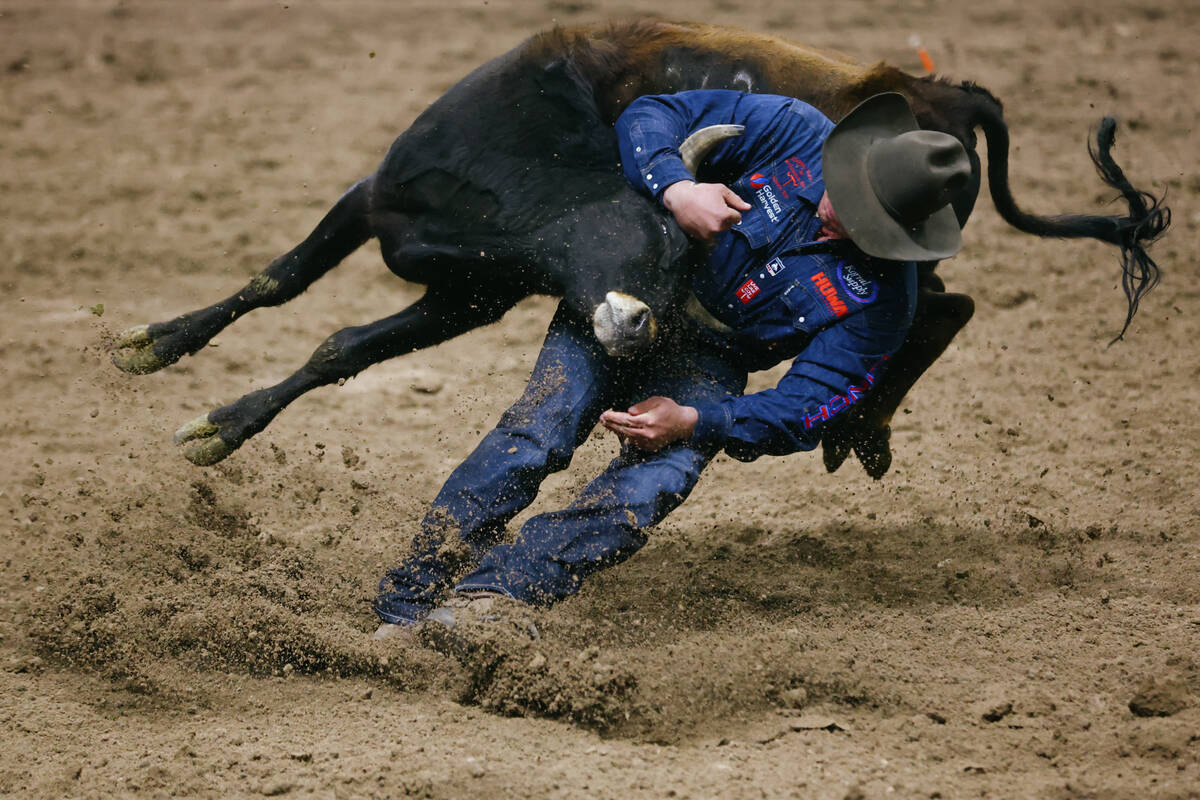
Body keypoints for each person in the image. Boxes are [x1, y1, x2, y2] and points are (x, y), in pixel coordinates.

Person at [373, 90, 971, 635]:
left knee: (651, 486)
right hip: (639, 279)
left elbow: (808, 407)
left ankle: (493, 603)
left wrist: (695, 422)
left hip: (710, 361)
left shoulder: (884, 302)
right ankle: (408, 597)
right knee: (538, 430)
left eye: (868, 222)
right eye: (848, 192)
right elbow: (652, 113)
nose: (841, 213)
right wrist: (677, 188)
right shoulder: (792, 129)